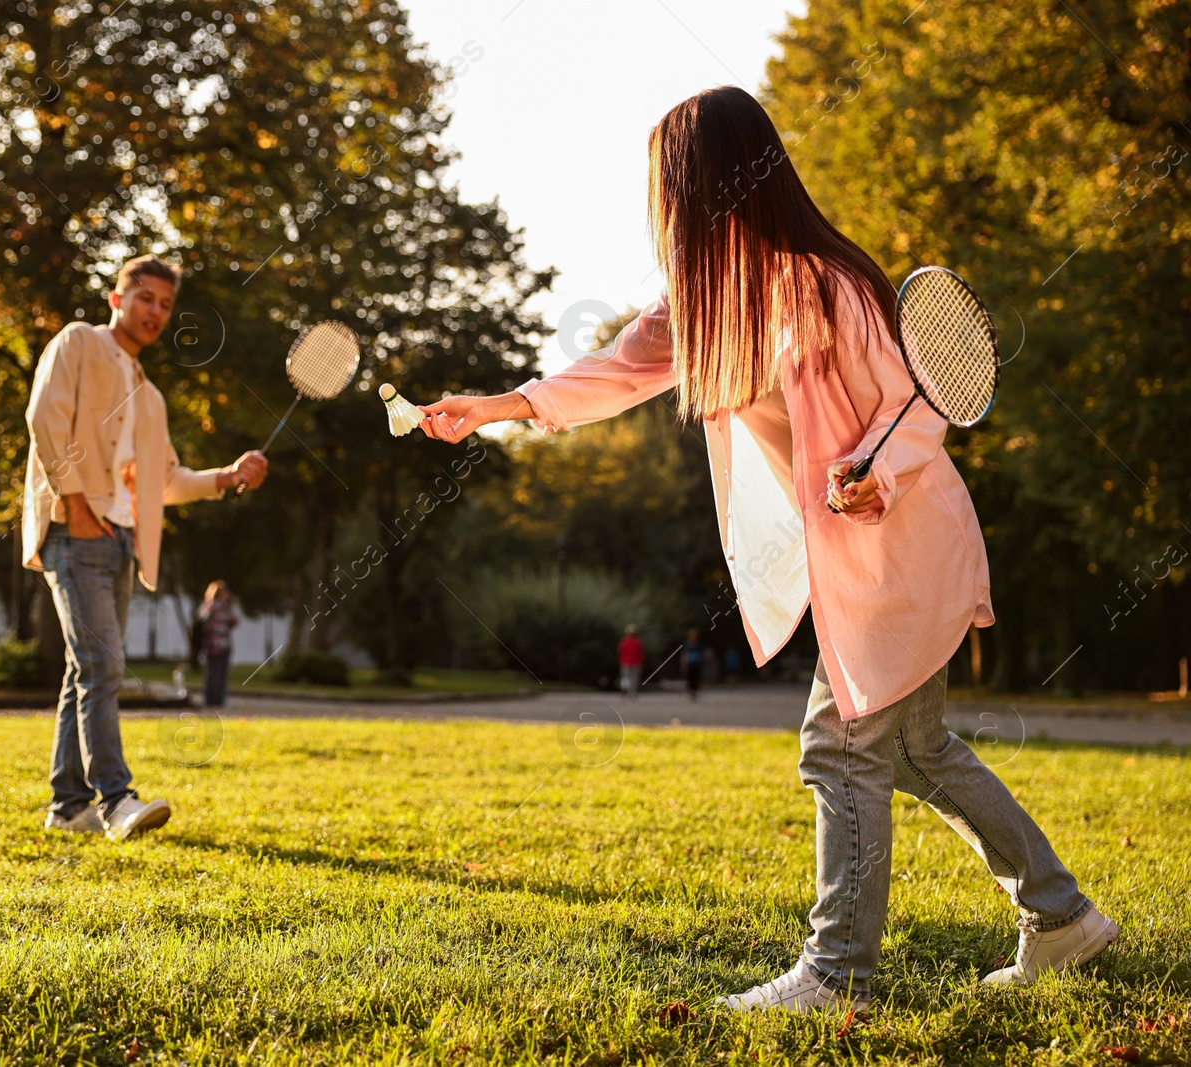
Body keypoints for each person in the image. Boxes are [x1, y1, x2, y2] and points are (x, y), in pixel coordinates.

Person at [416, 86, 1114, 1013]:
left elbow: (918, 414)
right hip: (858, 561)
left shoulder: (830, 289)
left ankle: (836, 974)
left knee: (839, 746)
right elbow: (616, 372)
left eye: (670, 185)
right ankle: (1060, 917)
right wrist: (498, 407)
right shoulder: (709, 305)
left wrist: (877, 465)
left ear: (704, 187)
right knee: (914, 749)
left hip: (903, 546)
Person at [22, 254, 268, 840]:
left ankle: (67, 807)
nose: (155, 311)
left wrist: (228, 477)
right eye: (145, 298)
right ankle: (115, 800)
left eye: (165, 303)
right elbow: (44, 418)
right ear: (117, 299)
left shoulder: (149, 397)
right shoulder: (78, 343)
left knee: (84, 671)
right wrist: (77, 507)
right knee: (103, 665)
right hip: (73, 532)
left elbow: (165, 483)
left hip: (121, 544)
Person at [196, 580, 238, 709]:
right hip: (223, 645)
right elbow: (234, 621)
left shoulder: (206, 606)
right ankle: (219, 700)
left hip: (209, 645)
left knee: (211, 673)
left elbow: (199, 621)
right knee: (221, 673)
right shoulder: (225, 607)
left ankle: (209, 699)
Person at [617, 624, 644, 699]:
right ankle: (632, 691)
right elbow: (641, 653)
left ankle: (625, 688)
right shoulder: (638, 642)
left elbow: (620, 652)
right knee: (634, 677)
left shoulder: (623, 642)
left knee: (626, 676)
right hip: (636, 662)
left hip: (625, 662)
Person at [682, 627, 704, 701]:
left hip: (697, 662)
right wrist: (683, 662)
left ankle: (694, 691)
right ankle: (691, 692)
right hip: (690, 662)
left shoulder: (698, 644)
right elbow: (684, 654)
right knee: (690, 678)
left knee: (696, 678)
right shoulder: (687, 644)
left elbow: (701, 653)